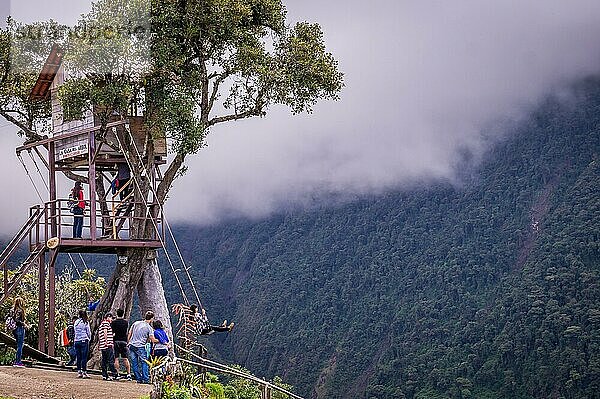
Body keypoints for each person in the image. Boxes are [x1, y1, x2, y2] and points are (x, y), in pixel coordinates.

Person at [128, 311, 158, 384]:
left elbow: (130, 333)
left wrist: (128, 342)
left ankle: (138, 379)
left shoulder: (136, 323)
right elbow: (152, 339)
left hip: (132, 345)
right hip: (140, 347)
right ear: (151, 319)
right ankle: (146, 379)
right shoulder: (149, 327)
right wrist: (161, 340)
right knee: (144, 363)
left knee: (134, 363)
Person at [111, 308, 132, 380]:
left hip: (116, 341)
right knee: (125, 358)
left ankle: (118, 374)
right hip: (124, 341)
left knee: (116, 358)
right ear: (123, 314)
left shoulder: (113, 322)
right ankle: (128, 374)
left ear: (117, 314)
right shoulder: (126, 322)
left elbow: (112, 332)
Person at [98, 312, 119, 381]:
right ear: (108, 317)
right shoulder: (106, 323)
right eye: (111, 318)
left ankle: (105, 375)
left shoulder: (102, 324)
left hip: (103, 345)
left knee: (104, 360)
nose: (111, 320)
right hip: (107, 345)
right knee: (110, 360)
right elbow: (105, 332)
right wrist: (107, 341)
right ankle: (114, 374)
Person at [74, 309, 91, 378]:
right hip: (84, 341)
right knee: (84, 357)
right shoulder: (85, 322)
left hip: (76, 341)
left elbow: (75, 331)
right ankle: (84, 372)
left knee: (78, 357)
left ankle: (79, 372)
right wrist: (89, 338)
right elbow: (88, 332)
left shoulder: (76, 322)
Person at [11, 297, 26, 367]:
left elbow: (12, 319)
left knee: (18, 345)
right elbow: (17, 320)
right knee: (20, 346)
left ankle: (16, 361)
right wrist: (24, 324)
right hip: (20, 328)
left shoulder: (12, 310)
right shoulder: (20, 310)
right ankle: (18, 362)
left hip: (14, 329)